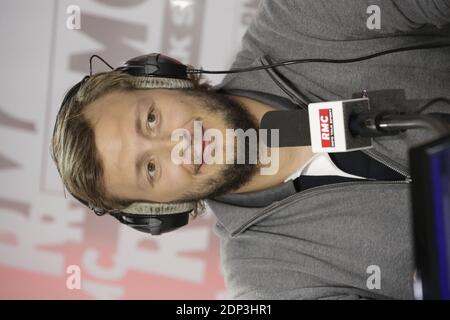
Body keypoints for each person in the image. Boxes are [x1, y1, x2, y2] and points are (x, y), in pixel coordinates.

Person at [51, 0, 450, 299]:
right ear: (162, 211)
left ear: (166, 79)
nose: (178, 145)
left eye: (151, 119)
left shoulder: (298, 19)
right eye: (151, 169)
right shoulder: (264, 285)